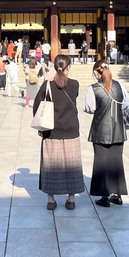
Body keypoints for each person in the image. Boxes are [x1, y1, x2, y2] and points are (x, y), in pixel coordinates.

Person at [33, 54, 83, 210]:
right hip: (71, 130)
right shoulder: (74, 84)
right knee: (71, 165)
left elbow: (36, 107)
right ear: (68, 67)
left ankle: (51, 200)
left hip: (51, 131)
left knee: (51, 165)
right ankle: (71, 199)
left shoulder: (47, 85)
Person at [84, 60, 128, 207]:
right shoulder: (119, 85)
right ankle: (118, 195)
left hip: (100, 130)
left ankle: (104, 196)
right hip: (118, 129)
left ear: (97, 73)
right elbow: (125, 103)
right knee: (116, 162)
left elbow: (89, 108)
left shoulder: (94, 88)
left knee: (101, 163)